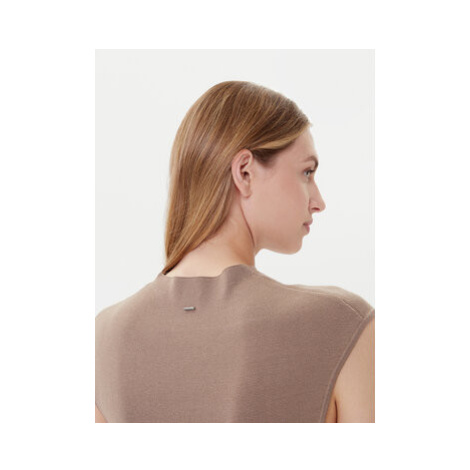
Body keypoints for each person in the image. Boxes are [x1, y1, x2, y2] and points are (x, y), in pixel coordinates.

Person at [95, 80, 375, 423]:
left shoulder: (104, 337)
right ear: (245, 172)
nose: (318, 201)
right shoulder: (340, 324)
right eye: (306, 172)